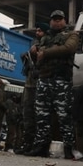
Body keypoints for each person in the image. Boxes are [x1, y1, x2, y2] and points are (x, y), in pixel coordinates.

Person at [26, 10, 79, 159]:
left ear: (64, 21)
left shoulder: (71, 35)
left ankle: (69, 148)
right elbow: (36, 51)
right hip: (44, 79)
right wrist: (35, 50)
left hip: (61, 80)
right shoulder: (45, 37)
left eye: (59, 19)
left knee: (64, 116)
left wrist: (45, 53)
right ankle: (41, 146)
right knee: (42, 115)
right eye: (54, 19)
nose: (57, 22)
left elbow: (69, 48)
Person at [17, 22, 49, 155]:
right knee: (27, 116)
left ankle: (39, 146)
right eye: (37, 31)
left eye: (40, 31)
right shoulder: (33, 46)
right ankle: (27, 144)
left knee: (40, 118)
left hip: (41, 86)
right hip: (30, 85)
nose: (37, 33)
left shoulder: (48, 45)